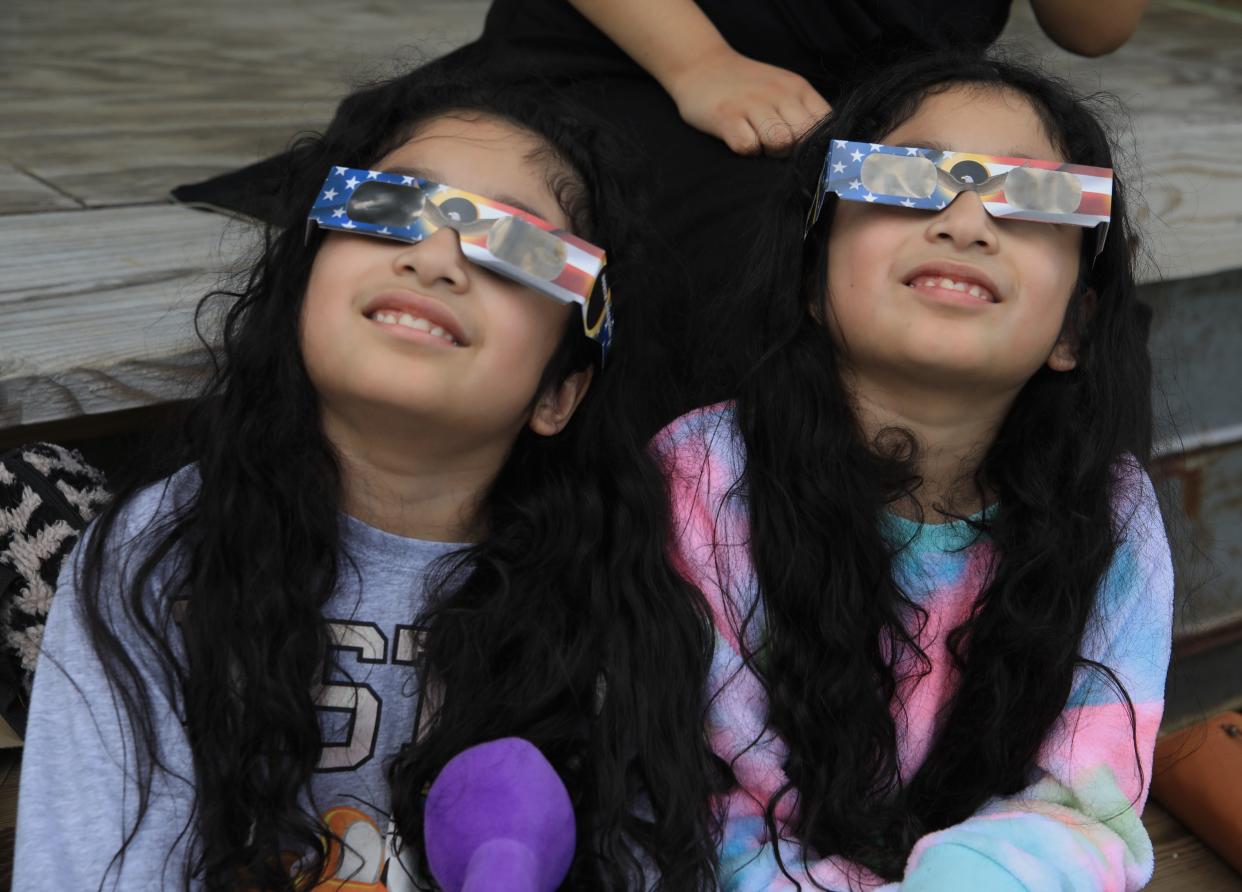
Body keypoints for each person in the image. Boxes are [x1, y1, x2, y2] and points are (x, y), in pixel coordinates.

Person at [14, 68, 721, 890]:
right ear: (303, 285)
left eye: (515, 245)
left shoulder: (623, 607)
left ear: (561, 391)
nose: (434, 258)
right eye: (388, 206)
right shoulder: (159, 555)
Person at [656, 52, 1172, 890]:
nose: (966, 221)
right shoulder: (694, 479)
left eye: (1035, 196)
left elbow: (1082, 812)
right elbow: (682, 806)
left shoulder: (1110, 512)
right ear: (814, 274)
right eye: (904, 177)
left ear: (1076, 327)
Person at [175, 0, 1149, 422]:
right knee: (761, 265)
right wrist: (699, 64)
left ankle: (1020, 653)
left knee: (1070, 264)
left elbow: (1097, 29)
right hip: (647, 64)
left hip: (881, 111)